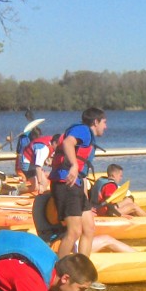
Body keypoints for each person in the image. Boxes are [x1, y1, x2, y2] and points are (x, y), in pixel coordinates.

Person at [48, 107, 107, 257]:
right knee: (74, 232)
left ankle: (83, 270)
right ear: (96, 122)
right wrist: (74, 165)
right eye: (104, 122)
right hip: (66, 183)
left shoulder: (87, 137)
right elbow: (68, 142)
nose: (105, 126)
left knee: (89, 229)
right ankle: (56, 272)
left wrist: (85, 195)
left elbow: (83, 171)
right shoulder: (83, 130)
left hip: (77, 185)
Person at [15, 127, 55, 194]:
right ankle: (17, 190)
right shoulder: (25, 140)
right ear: (33, 136)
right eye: (37, 137)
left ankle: (22, 188)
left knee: (44, 182)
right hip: (24, 161)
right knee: (25, 180)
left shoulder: (43, 142)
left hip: (32, 162)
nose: (39, 138)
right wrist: (39, 182)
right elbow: (22, 153)